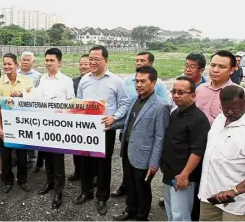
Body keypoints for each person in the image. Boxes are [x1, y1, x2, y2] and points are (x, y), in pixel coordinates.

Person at [73, 45, 131, 216]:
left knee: (103, 165)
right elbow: (79, 101)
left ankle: (102, 197)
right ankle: (86, 191)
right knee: (85, 163)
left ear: (105, 60)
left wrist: (114, 117)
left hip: (106, 129)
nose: (92, 62)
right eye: (90, 59)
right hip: (86, 129)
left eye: (96, 59)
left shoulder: (116, 81)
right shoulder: (84, 80)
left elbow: (125, 103)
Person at [113, 66, 170, 221]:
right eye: (136, 81)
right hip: (128, 151)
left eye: (143, 81)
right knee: (130, 184)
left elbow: (160, 137)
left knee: (142, 188)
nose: (138, 85)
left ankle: (142, 216)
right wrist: (108, 124)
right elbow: (127, 122)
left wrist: (154, 163)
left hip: (144, 157)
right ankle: (130, 209)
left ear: (154, 82)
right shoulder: (134, 100)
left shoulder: (161, 106)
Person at [160, 76, 210, 221]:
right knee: (170, 209)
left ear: (193, 96)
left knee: (180, 214)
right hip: (169, 173)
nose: (176, 95)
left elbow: (197, 151)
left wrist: (184, 175)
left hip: (182, 176)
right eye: (174, 91)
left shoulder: (198, 119)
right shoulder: (175, 113)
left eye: (181, 92)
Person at [35, 48, 75, 210]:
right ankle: (49, 182)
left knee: (58, 160)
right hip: (44, 126)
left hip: (59, 127)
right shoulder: (42, 79)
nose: (48, 63)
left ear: (59, 62)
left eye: (52, 60)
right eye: (46, 60)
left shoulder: (66, 81)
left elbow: (72, 103)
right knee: (47, 158)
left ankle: (59, 191)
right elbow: (36, 98)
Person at [198, 85, 245, 221]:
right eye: (225, 108)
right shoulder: (219, 119)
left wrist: (234, 191)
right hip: (209, 195)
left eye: (235, 109)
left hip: (236, 202)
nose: (229, 112)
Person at [0, 53, 33, 194]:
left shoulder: (26, 81)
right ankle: (7, 180)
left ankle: (23, 180)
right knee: (6, 155)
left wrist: (22, 96)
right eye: (5, 64)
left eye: (10, 64)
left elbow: (32, 102)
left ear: (16, 65)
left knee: (22, 155)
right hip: (5, 125)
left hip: (22, 125)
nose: (7, 66)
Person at [196, 50, 236, 125]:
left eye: (222, 67)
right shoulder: (199, 89)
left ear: (231, 70)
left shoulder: (238, 93)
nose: (215, 70)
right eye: (213, 65)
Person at [68, 54, 90, 182]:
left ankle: (92, 175)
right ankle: (78, 171)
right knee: (76, 149)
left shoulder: (93, 82)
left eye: (85, 64)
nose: (82, 66)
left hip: (90, 121)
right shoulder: (73, 82)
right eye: (80, 64)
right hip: (75, 120)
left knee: (91, 151)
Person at [17, 51, 41, 170]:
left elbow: (38, 93)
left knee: (30, 134)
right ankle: (18, 157)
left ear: (33, 61)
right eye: (23, 60)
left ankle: (31, 158)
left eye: (28, 60)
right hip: (16, 110)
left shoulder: (37, 76)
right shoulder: (14, 73)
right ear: (20, 60)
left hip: (31, 110)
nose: (25, 62)